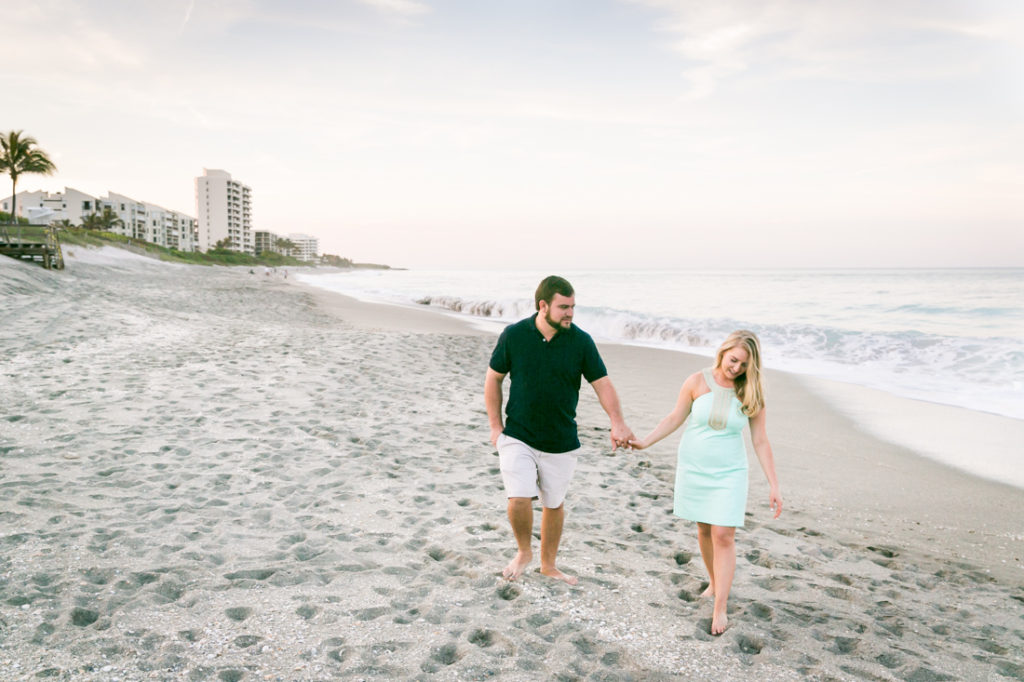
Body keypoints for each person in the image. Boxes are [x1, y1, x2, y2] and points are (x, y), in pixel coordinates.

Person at [629, 330, 782, 635]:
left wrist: (774, 484)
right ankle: (714, 581)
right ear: (723, 352)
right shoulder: (696, 381)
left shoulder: (750, 391)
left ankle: (720, 606)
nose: (736, 368)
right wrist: (646, 442)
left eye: (743, 365)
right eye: (733, 360)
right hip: (695, 466)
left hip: (730, 472)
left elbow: (761, 440)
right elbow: (675, 417)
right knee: (703, 528)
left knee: (723, 534)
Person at [485, 275, 635, 585]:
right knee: (519, 497)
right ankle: (524, 551)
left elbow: (602, 384)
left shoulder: (581, 341)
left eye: (573, 307)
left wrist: (617, 422)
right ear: (543, 306)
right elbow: (493, 378)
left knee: (554, 504)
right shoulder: (514, 336)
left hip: (562, 440)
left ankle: (548, 565)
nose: (570, 313)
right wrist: (496, 427)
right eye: (563, 307)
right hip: (518, 435)